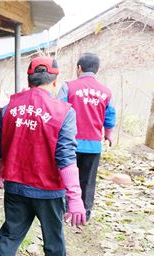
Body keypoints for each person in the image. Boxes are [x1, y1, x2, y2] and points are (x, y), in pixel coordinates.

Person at [0, 57, 86, 256]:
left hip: (16, 186)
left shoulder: (9, 108)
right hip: (48, 191)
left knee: (9, 236)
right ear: (55, 81)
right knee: (53, 237)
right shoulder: (64, 111)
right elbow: (66, 158)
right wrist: (75, 198)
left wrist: (0, 172)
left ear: (29, 80)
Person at [58, 52, 116, 221]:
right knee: (88, 180)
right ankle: (85, 213)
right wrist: (108, 134)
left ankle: (64, 210)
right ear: (97, 69)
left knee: (64, 175)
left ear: (79, 68)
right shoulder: (106, 92)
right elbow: (110, 115)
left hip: (68, 143)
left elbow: (58, 110)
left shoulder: (68, 86)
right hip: (93, 145)